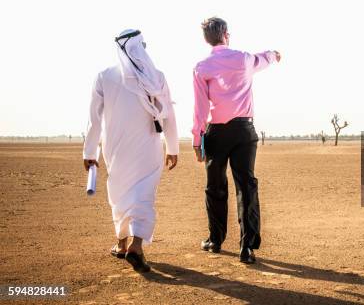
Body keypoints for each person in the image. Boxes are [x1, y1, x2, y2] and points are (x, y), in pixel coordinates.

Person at [83, 29, 179, 272]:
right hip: (149, 146)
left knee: (120, 193)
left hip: (116, 148)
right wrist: (173, 146)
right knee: (144, 193)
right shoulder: (156, 77)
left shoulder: (104, 76)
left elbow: (94, 119)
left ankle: (122, 243)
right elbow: (169, 114)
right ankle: (136, 245)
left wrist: (90, 153)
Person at [192, 17, 280, 264]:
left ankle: (215, 240)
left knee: (215, 187)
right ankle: (247, 247)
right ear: (226, 35)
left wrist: (197, 140)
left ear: (207, 39)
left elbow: (199, 108)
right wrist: (274, 54)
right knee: (246, 186)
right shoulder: (243, 59)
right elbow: (263, 58)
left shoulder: (202, 67)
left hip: (216, 132)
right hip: (243, 131)